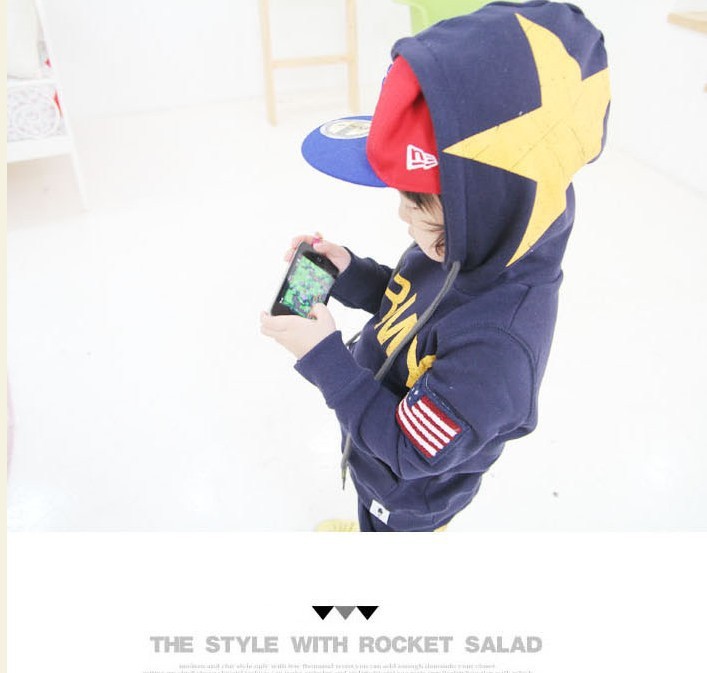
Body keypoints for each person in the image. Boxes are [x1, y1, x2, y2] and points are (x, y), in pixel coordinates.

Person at [260, 0, 610, 532]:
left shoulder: (497, 352)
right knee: (368, 507)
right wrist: (350, 271)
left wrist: (324, 357)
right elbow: (413, 302)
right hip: (371, 453)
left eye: (415, 205)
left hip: (406, 498)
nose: (402, 216)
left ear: (479, 214)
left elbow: (407, 448)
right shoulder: (466, 245)